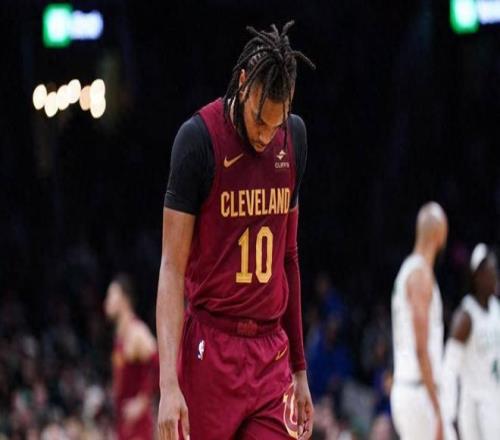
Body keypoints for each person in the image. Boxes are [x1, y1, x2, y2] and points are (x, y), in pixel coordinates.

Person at [156, 21, 315, 440]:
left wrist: (300, 369)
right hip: (212, 348)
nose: (265, 135)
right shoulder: (197, 140)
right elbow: (171, 268)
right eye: (260, 120)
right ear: (242, 83)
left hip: (270, 354)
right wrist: (168, 385)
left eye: (275, 124)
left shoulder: (294, 139)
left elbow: (289, 257)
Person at [390, 202, 448, 440]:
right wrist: (437, 406)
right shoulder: (420, 275)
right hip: (419, 391)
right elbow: (421, 348)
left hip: (411, 389)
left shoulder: (409, 270)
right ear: (440, 235)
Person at [442, 244, 500, 439]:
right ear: (478, 276)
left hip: (495, 397)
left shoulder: (496, 310)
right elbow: (449, 369)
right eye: (492, 270)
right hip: (474, 404)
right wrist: (449, 414)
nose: (496, 276)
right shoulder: (465, 317)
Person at [104, 274, 159, 440]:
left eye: (111, 295)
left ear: (124, 299)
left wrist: (143, 401)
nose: (106, 302)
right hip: (123, 421)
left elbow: (161, 365)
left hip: (138, 426)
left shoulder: (137, 332)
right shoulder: (120, 335)